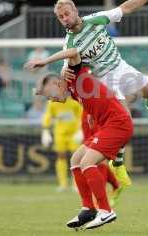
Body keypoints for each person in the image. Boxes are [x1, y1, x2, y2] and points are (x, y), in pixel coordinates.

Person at [25, 0, 148, 188]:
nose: (64, 18)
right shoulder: (70, 43)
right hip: (106, 81)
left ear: (75, 12)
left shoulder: (97, 19)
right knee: (123, 119)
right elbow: (70, 73)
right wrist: (59, 81)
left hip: (121, 67)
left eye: (67, 13)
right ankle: (117, 163)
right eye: (60, 17)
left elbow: (125, 8)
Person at [34, 52, 134, 230]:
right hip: (107, 125)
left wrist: (45, 61)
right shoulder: (72, 91)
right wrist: (90, 114)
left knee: (88, 162)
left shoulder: (75, 76)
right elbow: (91, 99)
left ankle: (106, 210)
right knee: (76, 160)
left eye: (50, 95)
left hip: (118, 124)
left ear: (57, 83)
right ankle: (88, 208)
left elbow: (73, 52)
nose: (52, 100)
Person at [41, 97, 83, 191]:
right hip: (60, 133)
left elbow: (81, 115)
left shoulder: (74, 101)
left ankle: (77, 184)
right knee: (61, 156)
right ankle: (63, 184)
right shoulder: (53, 102)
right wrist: (45, 130)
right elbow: (48, 115)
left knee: (76, 157)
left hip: (74, 132)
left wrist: (81, 130)